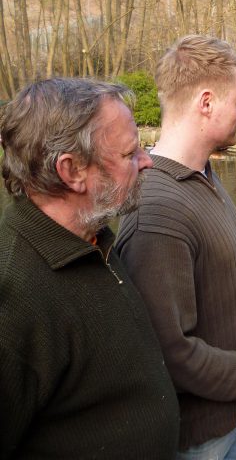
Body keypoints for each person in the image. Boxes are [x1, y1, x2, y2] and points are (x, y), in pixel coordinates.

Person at [115, 35, 236, 459]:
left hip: (235, 417)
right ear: (207, 102)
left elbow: (215, 277)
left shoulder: (201, 176)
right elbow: (167, 353)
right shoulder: (157, 211)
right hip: (200, 439)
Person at [0, 78, 180, 459]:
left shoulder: (92, 236)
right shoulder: (14, 296)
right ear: (72, 171)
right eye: (130, 153)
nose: (147, 160)